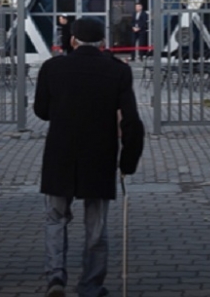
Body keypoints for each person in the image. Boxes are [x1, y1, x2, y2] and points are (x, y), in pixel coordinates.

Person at [34, 17, 145, 297]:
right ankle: (90, 284)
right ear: (103, 42)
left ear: (72, 40)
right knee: (96, 225)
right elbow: (132, 120)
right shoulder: (118, 71)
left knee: (55, 218)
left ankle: (55, 277)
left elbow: (41, 111)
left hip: (60, 152)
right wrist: (128, 161)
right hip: (100, 153)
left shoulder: (52, 68)